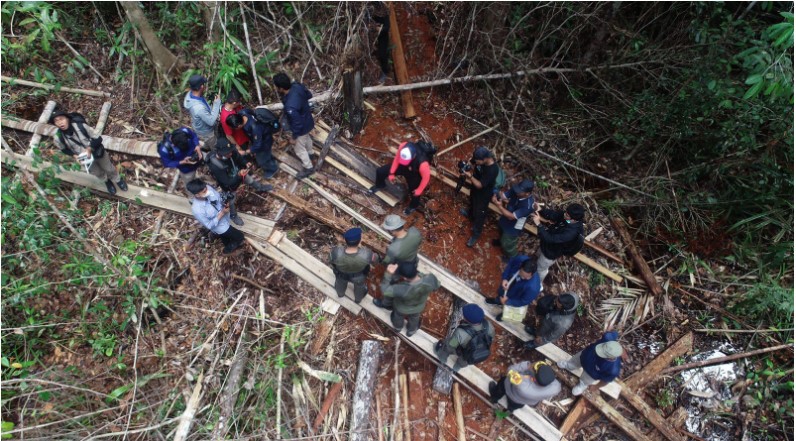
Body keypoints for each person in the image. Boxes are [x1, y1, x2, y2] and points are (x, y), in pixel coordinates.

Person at [51, 110, 127, 195]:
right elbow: (64, 149)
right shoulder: (59, 137)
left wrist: (89, 148)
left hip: (97, 152)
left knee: (108, 168)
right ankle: (107, 182)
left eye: (61, 119)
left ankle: (118, 180)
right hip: (85, 158)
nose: (60, 122)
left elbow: (98, 138)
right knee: (97, 172)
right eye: (56, 121)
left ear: (67, 118)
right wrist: (74, 155)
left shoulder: (81, 126)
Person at [206, 138, 273, 226]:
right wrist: (238, 176)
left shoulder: (232, 152)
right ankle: (233, 215)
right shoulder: (215, 165)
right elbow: (227, 182)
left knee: (250, 180)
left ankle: (260, 187)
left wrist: (245, 163)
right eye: (227, 153)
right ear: (219, 153)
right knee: (231, 200)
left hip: (239, 173)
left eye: (230, 151)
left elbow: (239, 158)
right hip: (229, 184)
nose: (230, 153)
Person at [375, 261, 440, 337]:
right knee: (414, 317)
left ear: (404, 277)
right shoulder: (429, 279)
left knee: (398, 316)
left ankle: (398, 327)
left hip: (401, 307)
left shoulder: (402, 288)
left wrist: (388, 274)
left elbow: (385, 290)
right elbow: (437, 285)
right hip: (418, 306)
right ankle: (411, 331)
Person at [370, 142, 432, 215]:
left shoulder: (422, 163)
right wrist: (391, 173)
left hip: (414, 172)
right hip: (402, 166)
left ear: (413, 156)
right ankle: (380, 185)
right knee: (381, 171)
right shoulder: (403, 146)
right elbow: (397, 159)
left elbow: (426, 178)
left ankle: (413, 206)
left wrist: (419, 190)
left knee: (415, 193)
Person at [273, 73, 316, 179]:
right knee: (307, 139)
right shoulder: (297, 86)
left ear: (281, 88)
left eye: (276, 86)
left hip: (302, 127)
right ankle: (311, 153)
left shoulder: (290, 106)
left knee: (299, 148)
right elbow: (309, 95)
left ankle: (308, 167)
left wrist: (293, 138)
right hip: (309, 121)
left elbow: (297, 124)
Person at [187, 179, 245, 254]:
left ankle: (227, 244)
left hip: (226, 218)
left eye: (206, 188)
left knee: (225, 238)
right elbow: (209, 225)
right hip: (220, 226)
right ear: (197, 195)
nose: (207, 191)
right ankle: (227, 251)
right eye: (204, 192)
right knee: (240, 237)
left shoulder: (207, 188)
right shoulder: (197, 210)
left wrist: (224, 203)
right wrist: (222, 213)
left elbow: (218, 198)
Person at [531, 203, 586, 283]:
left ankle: (537, 284)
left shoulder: (571, 233)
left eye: (567, 214)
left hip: (551, 252)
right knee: (539, 256)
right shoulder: (568, 219)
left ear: (573, 219)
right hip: (546, 245)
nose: (564, 214)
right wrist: (541, 210)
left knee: (540, 269)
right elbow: (555, 215)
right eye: (566, 212)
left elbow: (550, 239)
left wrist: (539, 225)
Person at [557, 331, 623, 396]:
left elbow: (605, 381)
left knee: (585, 380)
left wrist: (596, 387)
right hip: (584, 356)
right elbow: (614, 332)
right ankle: (568, 365)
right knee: (573, 362)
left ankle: (581, 386)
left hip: (590, 374)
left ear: (610, 357)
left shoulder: (613, 370)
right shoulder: (608, 338)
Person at [434, 304, 495, 371]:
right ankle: (456, 367)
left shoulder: (460, 332)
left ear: (467, 319)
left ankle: (442, 357)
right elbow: (491, 339)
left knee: (447, 346)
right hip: (473, 353)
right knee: (464, 360)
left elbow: (451, 346)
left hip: (463, 350)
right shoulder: (489, 325)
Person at [459, 146, 500, 248]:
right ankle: (470, 213)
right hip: (475, 188)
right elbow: (471, 162)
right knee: (472, 201)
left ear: (485, 159)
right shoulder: (479, 157)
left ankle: (476, 233)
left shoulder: (493, 170)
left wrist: (470, 176)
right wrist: (466, 166)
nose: (476, 162)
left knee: (480, 212)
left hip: (484, 193)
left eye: (478, 161)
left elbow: (480, 185)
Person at [225, 110, 279, 179]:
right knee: (265, 154)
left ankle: (273, 169)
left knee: (261, 158)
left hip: (265, 140)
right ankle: (271, 160)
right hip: (260, 136)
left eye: (234, 128)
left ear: (239, 125)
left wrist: (245, 152)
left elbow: (258, 145)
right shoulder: (243, 113)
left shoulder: (254, 127)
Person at [485, 255, 541, 322]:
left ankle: (504, 314)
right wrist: (505, 278)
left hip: (516, 296)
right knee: (501, 294)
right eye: (522, 274)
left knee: (511, 307)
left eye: (527, 277)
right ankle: (497, 301)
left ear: (532, 274)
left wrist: (508, 301)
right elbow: (510, 265)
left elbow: (523, 301)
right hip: (509, 284)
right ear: (520, 266)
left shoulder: (533, 288)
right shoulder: (520, 259)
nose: (524, 278)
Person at [329, 228, 378, 303]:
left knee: (340, 284)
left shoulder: (336, 252)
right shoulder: (367, 254)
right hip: (358, 276)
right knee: (359, 288)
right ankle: (358, 300)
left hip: (341, 275)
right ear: (359, 241)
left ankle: (340, 294)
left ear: (345, 241)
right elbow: (375, 260)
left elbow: (331, 260)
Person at [489, 361, 561, 411]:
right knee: (514, 406)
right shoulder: (556, 387)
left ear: (534, 379)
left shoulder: (522, 384)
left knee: (502, 385)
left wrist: (527, 365)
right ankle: (510, 409)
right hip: (522, 401)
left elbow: (510, 371)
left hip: (511, 390)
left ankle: (494, 397)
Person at [492, 179, 535, 260]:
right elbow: (504, 196)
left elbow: (511, 217)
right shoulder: (516, 190)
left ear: (527, 193)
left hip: (514, 224)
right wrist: (497, 195)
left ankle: (511, 256)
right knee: (501, 228)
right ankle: (500, 241)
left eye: (520, 191)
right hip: (506, 215)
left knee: (508, 242)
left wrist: (499, 206)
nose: (517, 192)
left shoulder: (528, 206)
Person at [183, 74, 221, 150]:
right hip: (207, 133)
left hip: (199, 128)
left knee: (207, 144)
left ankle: (204, 147)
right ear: (201, 87)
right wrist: (217, 104)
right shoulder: (198, 108)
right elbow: (211, 121)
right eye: (203, 84)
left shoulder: (190, 95)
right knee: (217, 149)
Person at [219, 90, 250, 154]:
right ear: (234, 102)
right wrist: (237, 147)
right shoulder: (225, 117)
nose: (240, 103)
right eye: (239, 102)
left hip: (246, 134)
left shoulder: (237, 106)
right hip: (240, 140)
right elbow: (228, 135)